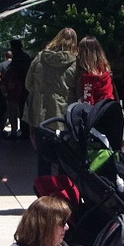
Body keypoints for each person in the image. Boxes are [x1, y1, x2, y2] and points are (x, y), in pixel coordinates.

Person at [25, 27, 80, 174]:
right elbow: (79, 90)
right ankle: (62, 193)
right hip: (64, 117)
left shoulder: (40, 57)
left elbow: (28, 84)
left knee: (43, 159)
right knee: (65, 159)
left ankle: (44, 192)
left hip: (41, 115)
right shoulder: (76, 62)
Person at [77, 37, 116, 105]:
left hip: (97, 111)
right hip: (109, 106)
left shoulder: (89, 77)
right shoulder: (106, 70)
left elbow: (88, 102)